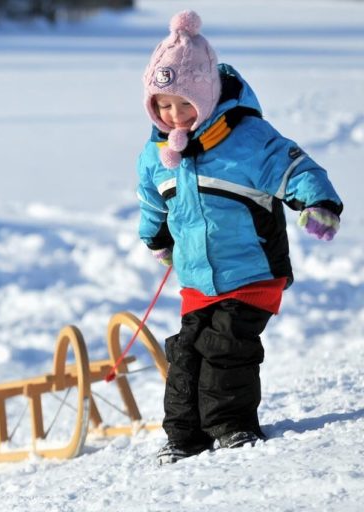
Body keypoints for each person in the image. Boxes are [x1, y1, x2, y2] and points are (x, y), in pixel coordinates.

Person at [135, 10, 343, 465]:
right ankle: (184, 436)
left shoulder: (247, 139)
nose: (174, 116)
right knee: (186, 352)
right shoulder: (156, 154)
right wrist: (157, 239)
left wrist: (318, 203)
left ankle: (232, 426)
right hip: (197, 280)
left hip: (251, 271)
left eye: (184, 104)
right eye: (163, 105)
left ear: (207, 94)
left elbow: (294, 168)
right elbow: (153, 201)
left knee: (225, 345)